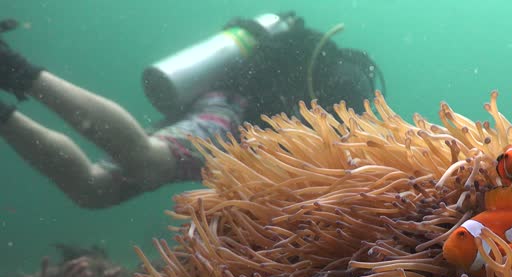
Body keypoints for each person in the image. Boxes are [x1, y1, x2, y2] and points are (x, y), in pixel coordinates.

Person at [0, 13, 383, 208]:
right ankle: (16, 69)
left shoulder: (335, 73)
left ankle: (4, 113)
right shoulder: (351, 90)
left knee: (93, 190)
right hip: (236, 113)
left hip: (234, 127)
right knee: (148, 163)